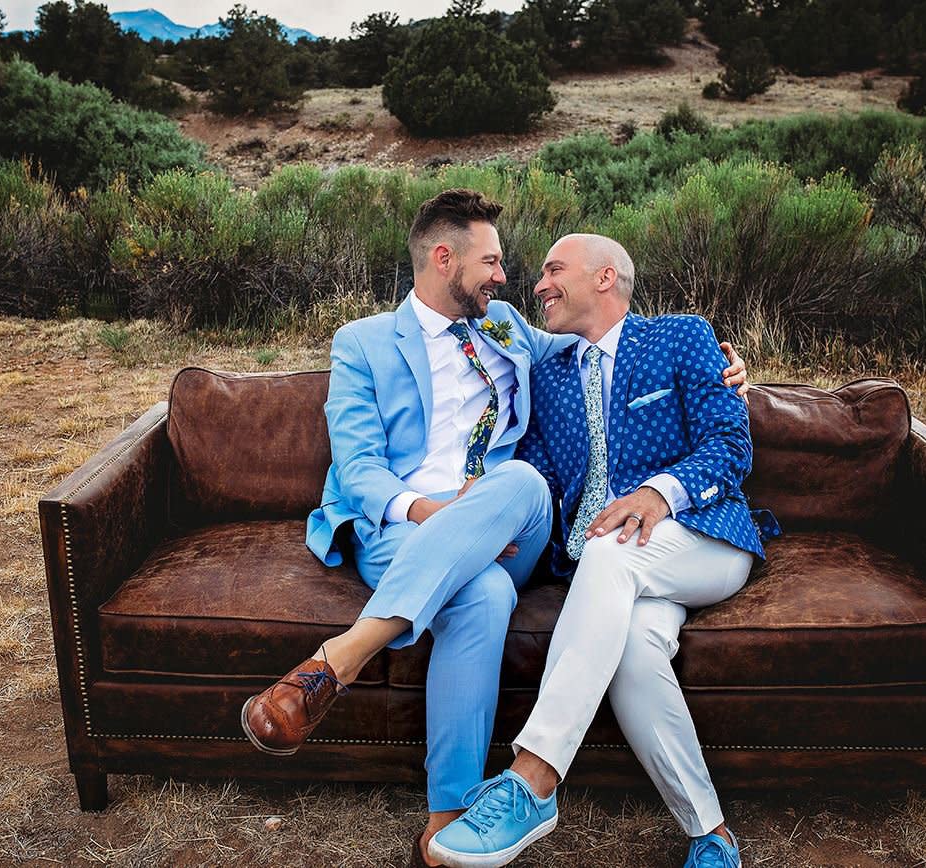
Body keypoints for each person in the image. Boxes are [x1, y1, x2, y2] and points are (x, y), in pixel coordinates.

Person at [241, 193, 747, 867]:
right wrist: (432, 512)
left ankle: (343, 659)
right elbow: (358, 470)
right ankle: (449, 816)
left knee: (522, 481)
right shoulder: (362, 343)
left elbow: (614, 351)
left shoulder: (508, 326)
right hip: (410, 524)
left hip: (534, 522)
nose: (509, 279)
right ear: (443, 259)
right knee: (482, 596)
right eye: (493, 262)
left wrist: (732, 376)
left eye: (523, 267)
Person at [428, 234, 779, 868]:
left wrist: (657, 493)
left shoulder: (681, 337)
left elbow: (731, 447)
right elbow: (535, 469)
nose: (538, 285)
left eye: (554, 270)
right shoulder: (551, 372)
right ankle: (712, 833)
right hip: (608, 567)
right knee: (635, 655)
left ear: (606, 277)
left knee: (611, 551)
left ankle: (533, 778)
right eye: (538, 275)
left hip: (701, 537)